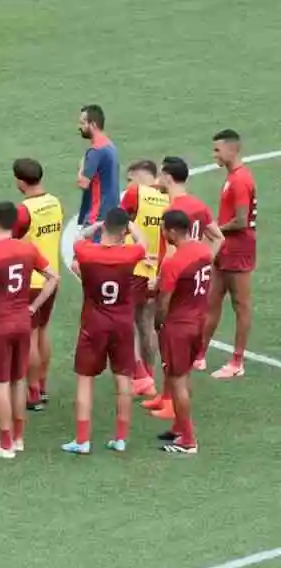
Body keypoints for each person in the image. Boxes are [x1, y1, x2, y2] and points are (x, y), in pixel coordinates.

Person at [0, 201, 59, 459]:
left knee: (0, 384)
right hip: (22, 321)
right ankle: (18, 438)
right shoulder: (28, 248)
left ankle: (5, 443)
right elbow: (53, 277)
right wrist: (34, 306)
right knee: (19, 381)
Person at [64, 209, 146, 454]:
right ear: (123, 231)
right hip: (122, 323)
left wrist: (96, 226)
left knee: (85, 379)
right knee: (123, 378)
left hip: (94, 323)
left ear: (105, 227)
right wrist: (131, 227)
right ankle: (120, 438)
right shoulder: (130, 254)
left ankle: (82, 440)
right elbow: (144, 242)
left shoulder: (87, 252)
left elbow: (78, 238)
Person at [155, 210, 217, 454]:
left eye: (163, 229)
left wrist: (158, 323)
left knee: (177, 380)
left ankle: (188, 441)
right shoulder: (203, 250)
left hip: (178, 326)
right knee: (183, 375)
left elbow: (163, 302)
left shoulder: (173, 262)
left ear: (171, 231)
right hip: (198, 321)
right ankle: (179, 427)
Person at [203, 129, 257, 379]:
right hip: (225, 248)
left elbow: (242, 220)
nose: (214, 154)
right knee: (211, 300)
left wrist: (214, 229)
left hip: (238, 250)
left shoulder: (240, 180)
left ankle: (237, 362)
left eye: (217, 150)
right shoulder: (232, 177)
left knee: (240, 305)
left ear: (232, 150)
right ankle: (199, 354)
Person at [11, 158, 63, 410]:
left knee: (29, 336)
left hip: (29, 281)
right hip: (50, 277)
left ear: (20, 181)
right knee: (42, 331)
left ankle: (32, 392)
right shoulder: (54, 202)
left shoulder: (24, 211)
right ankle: (41, 385)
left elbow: (6, 243)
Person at [119, 160, 169, 396]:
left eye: (130, 178)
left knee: (125, 322)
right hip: (156, 270)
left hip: (134, 268)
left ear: (140, 177)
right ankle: (149, 375)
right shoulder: (168, 198)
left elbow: (118, 225)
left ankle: (139, 377)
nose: (127, 183)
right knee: (146, 324)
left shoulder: (134, 194)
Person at [76, 104, 120, 227]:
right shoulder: (110, 146)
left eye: (82, 123)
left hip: (97, 216)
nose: (79, 127)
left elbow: (83, 183)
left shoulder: (95, 150)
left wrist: (81, 167)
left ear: (93, 124)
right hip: (111, 213)